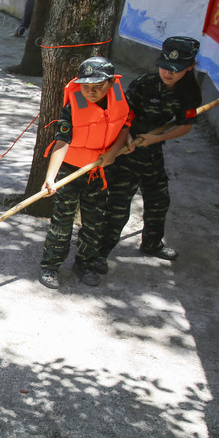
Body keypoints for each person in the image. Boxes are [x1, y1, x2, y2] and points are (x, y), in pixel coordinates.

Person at [98, 36, 201, 268]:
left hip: (153, 152)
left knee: (158, 201)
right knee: (117, 209)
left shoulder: (189, 92)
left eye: (176, 69)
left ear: (190, 67)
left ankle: (152, 243)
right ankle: (96, 255)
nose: (168, 73)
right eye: (164, 66)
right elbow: (122, 116)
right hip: (127, 151)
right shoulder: (144, 83)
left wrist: (157, 138)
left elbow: (185, 125)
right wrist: (129, 137)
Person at [38, 57, 130, 289]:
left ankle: (85, 263)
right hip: (70, 171)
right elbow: (61, 142)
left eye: (97, 87)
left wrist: (114, 152)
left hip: (98, 172)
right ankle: (51, 265)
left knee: (94, 222)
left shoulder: (120, 100)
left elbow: (125, 125)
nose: (90, 92)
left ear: (110, 83)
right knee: (62, 221)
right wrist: (51, 177)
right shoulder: (72, 108)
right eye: (86, 87)